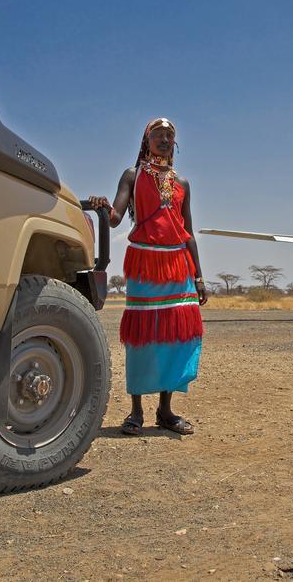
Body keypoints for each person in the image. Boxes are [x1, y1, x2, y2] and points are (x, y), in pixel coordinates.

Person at [89, 117, 207, 435]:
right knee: (143, 337)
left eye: (170, 135)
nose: (165, 139)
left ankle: (165, 412)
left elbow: (188, 233)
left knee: (175, 337)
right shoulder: (133, 175)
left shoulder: (183, 183)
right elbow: (115, 219)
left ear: (175, 143)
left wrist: (199, 277)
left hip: (178, 265)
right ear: (147, 140)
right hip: (145, 262)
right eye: (158, 134)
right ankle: (136, 412)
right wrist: (103, 207)